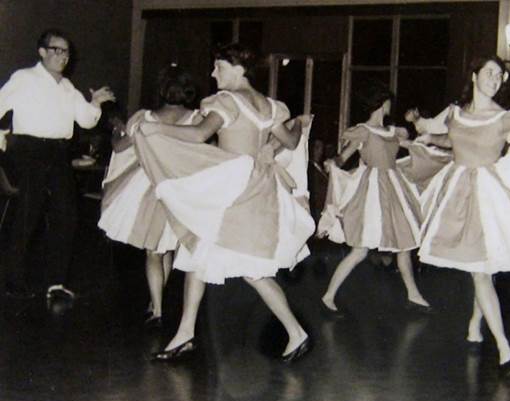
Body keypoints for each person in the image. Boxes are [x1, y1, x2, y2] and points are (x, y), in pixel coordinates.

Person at [137, 43, 314, 363]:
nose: (212, 73)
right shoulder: (269, 106)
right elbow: (291, 139)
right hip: (260, 188)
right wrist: (280, 138)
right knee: (202, 255)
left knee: (246, 268)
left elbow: (198, 136)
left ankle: (296, 332)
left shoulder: (227, 101)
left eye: (218, 67)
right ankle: (185, 334)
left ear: (237, 69)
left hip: (234, 189)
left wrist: (155, 128)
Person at [408, 56, 510, 376]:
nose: (496, 79)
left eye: (500, 75)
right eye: (490, 73)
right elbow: (441, 133)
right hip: (456, 195)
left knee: (482, 271)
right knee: (481, 268)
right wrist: (422, 129)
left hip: (488, 197)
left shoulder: (506, 119)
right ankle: (474, 325)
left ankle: (504, 349)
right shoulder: (455, 112)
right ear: (475, 75)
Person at [0, 29, 115, 300]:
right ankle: (13, 282)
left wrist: (95, 102)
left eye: (66, 52)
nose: (63, 56)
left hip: (58, 153)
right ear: (42, 52)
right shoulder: (24, 78)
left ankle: (56, 283)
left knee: (67, 216)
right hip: (29, 150)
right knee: (28, 216)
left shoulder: (67, 87)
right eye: (56, 50)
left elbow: (86, 121)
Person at [98, 65, 201, 327]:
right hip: (182, 189)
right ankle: (156, 302)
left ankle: (156, 309)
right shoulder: (198, 119)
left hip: (150, 188)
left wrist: (117, 131)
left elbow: (120, 147)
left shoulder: (145, 117)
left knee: (154, 252)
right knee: (163, 248)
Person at [316, 86, 431, 317]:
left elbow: (413, 147)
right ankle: (328, 296)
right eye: (389, 102)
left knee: (404, 245)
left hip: (394, 186)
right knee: (360, 250)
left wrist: (431, 149)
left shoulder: (393, 131)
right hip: (371, 190)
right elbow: (345, 155)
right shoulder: (364, 131)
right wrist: (333, 161)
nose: (391, 106)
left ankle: (414, 295)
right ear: (383, 103)